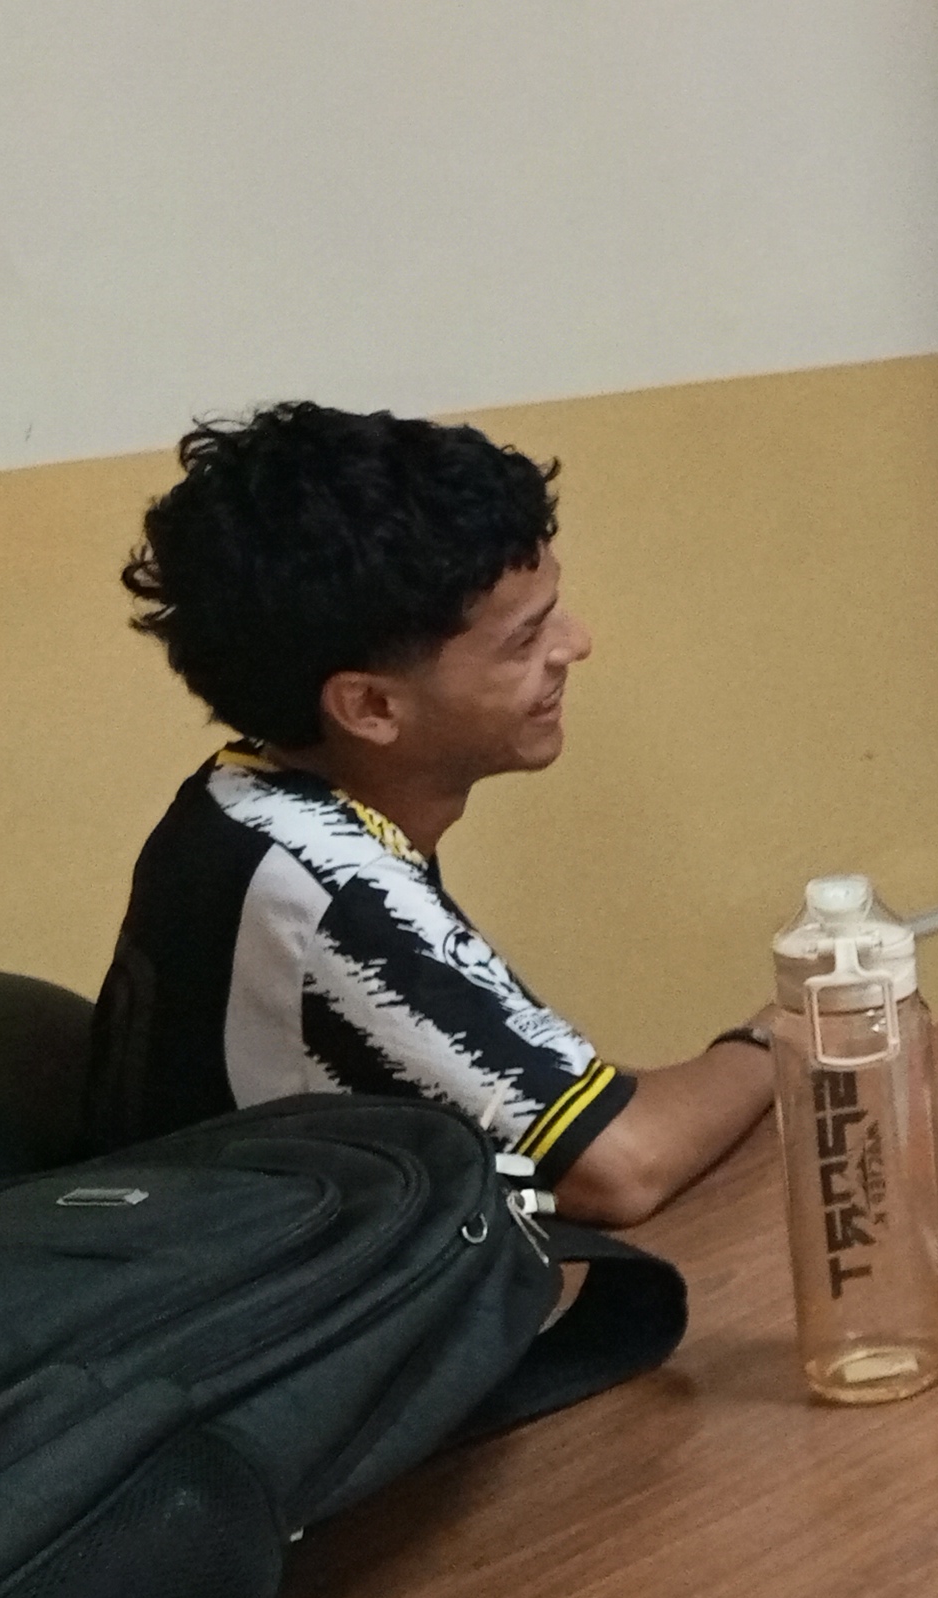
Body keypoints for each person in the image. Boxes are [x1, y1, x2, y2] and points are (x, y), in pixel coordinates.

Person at [86, 404, 774, 1228]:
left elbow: (547, 1104)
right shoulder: (323, 882)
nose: (575, 643)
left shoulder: (244, 802)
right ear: (371, 706)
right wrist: (785, 1035)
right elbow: (622, 1168)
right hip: (261, 1295)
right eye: (525, 640)